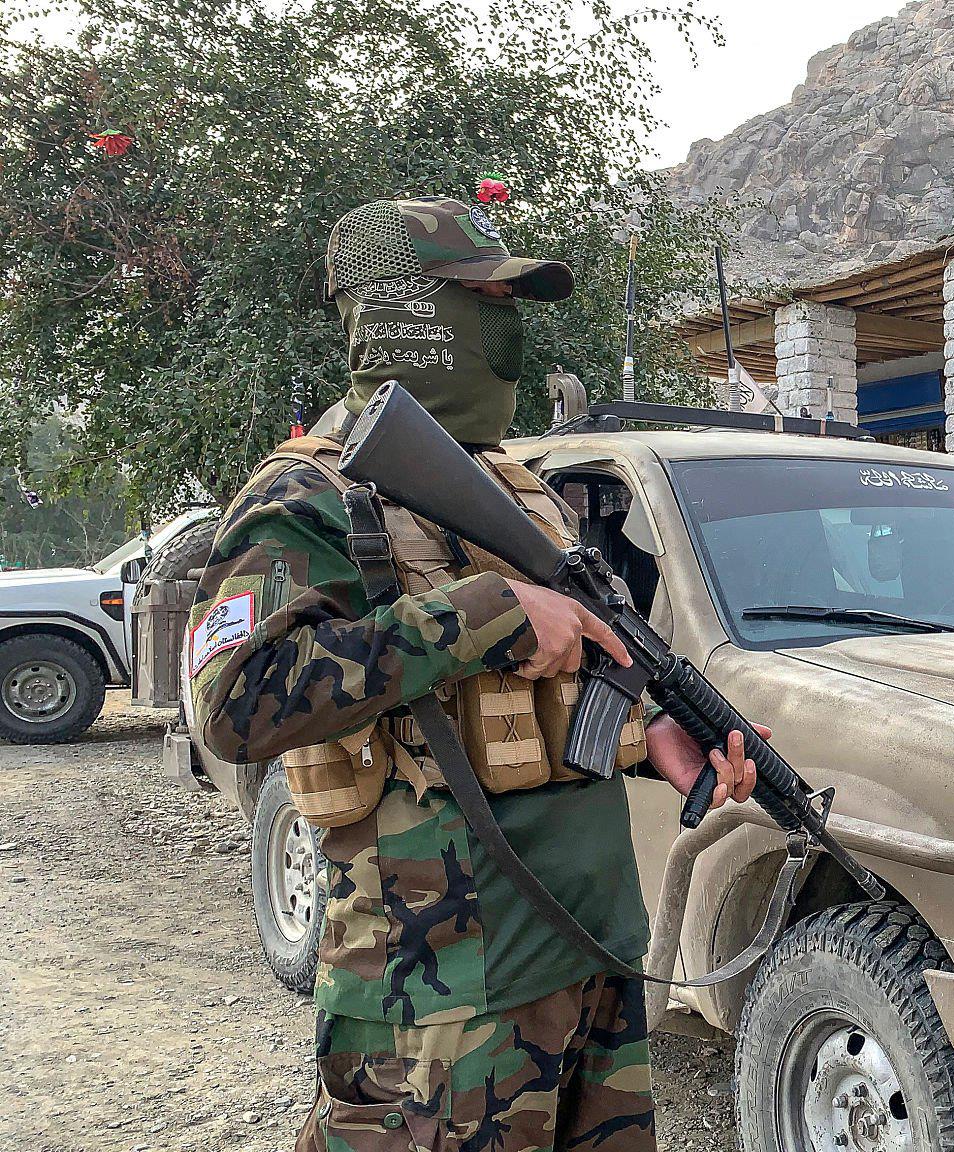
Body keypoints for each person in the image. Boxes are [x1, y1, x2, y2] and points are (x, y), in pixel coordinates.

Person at [190, 196, 757, 1152]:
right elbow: (233, 702)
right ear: (401, 314)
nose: (509, 329)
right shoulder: (308, 493)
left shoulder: (515, 486)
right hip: (443, 989)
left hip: (587, 950)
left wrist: (645, 739)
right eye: (486, 302)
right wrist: (477, 615)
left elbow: (530, 698)